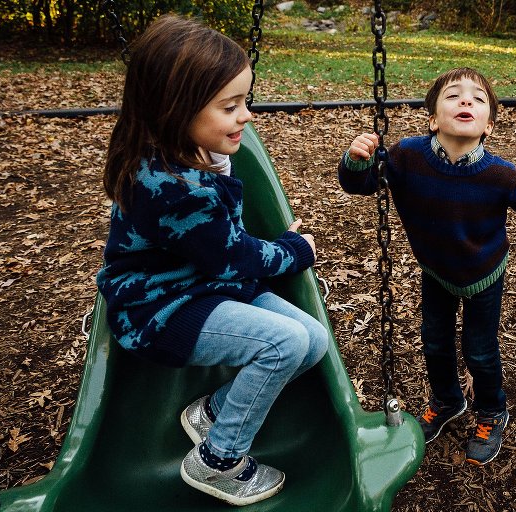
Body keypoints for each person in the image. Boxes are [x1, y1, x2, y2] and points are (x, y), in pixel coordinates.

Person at [96, 15, 328, 506]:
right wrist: (293, 250)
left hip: (200, 285)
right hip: (159, 307)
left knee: (313, 341)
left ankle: (213, 413)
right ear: (174, 108)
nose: (245, 115)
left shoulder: (187, 154)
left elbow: (222, 245)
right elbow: (233, 256)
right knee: (284, 343)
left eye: (245, 101)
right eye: (230, 106)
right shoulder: (173, 188)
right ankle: (217, 461)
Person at [338, 67, 516, 466]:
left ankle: (491, 410)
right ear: (433, 118)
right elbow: (361, 184)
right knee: (434, 341)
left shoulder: (499, 173)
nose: (466, 100)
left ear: (488, 127)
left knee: (480, 351)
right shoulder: (406, 156)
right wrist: (356, 159)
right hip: (436, 269)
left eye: (478, 98)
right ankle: (448, 399)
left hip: (484, 271)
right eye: (453, 95)